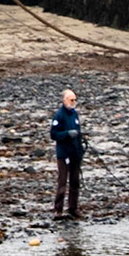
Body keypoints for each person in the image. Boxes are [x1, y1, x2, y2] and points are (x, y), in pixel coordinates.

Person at [50, 88, 84, 218]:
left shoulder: (75, 114)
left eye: (75, 100)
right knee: (62, 182)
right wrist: (67, 134)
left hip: (75, 153)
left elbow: (78, 133)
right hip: (64, 154)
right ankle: (58, 210)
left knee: (75, 182)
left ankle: (72, 208)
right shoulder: (59, 115)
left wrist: (80, 149)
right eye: (71, 100)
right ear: (65, 100)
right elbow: (53, 134)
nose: (74, 102)